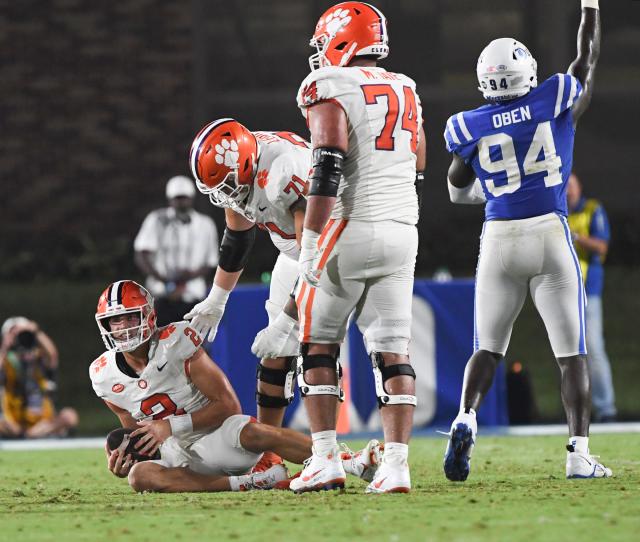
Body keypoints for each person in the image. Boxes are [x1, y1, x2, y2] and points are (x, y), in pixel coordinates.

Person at [258, 2, 426, 494]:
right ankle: (397, 465)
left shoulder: (326, 86)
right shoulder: (407, 86)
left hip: (350, 225)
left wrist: (309, 241)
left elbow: (327, 165)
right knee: (393, 352)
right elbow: (418, 159)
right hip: (404, 227)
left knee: (317, 345)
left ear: (340, 40)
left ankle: (326, 457)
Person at [442, 0, 610, 480]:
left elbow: (456, 189)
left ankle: (465, 417)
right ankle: (578, 452)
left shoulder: (467, 125)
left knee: (488, 348)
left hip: (497, 238)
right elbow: (586, 59)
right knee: (571, 353)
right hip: (549, 234)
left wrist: (490, 190)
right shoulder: (553, 98)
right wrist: (590, 9)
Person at [90, 280, 379, 493]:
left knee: (253, 430)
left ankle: (352, 463)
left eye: (131, 317)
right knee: (139, 478)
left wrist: (170, 427)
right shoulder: (104, 375)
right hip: (176, 455)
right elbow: (136, 436)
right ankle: (249, 483)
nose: (124, 327)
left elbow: (228, 406)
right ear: (106, 326)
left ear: (149, 316)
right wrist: (124, 459)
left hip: (215, 437)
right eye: (115, 321)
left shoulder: (177, 342)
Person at [184, 120, 311, 461]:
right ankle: (268, 455)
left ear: (244, 165)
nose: (225, 194)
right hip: (294, 251)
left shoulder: (284, 170)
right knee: (276, 356)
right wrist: (216, 300)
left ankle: (329, 456)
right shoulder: (240, 164)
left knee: (314, 350)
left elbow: (316, 257)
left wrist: (285, 322)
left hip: (333, 247)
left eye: (227, 184)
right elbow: (238, 236)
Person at [134, 175, 219, 326]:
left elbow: (211, 261)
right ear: (170, 199)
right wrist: (164, 280)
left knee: (194, 344)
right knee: (159, 343)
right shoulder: (156, 219)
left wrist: (185, 280)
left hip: (193, 295)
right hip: (160, 294)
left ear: (191, 198)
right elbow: (142, 253)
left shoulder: (205, 224)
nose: (181, 202)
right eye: (177, 198)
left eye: (184, 198)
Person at [567, 172, 616, 422]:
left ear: (580, 187)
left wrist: (576, 238)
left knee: (594, 348)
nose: (568, 190)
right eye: (565, 185)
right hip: (564, 292)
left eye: (572, 185)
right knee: (568, 352)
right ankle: (574, 409)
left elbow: (602, 246)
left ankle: (606, 407)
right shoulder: (557, 214)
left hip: (589, 291)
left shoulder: (592, 209)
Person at [0, 317, 78, 438]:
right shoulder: (7, 361)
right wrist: (6, 345)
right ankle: (28, 434)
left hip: (43, 422)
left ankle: (31, 434)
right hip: (13, 423)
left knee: (70, 415)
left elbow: (52, 355)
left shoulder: (39, 357)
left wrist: (36, 332)